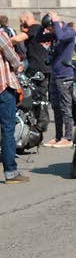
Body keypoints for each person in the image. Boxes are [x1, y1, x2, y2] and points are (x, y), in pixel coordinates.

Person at [0, 28, 30, 184]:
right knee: (7, 129)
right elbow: (14, 58)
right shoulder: (0, 35)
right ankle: (11, 172)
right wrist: (19, 65)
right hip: (3, 89)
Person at [44, 14, 76, 149]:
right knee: (56, 106)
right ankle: (58, 136)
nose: (49, 31)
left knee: (65, 107)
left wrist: (56, 21)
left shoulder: (68, 31)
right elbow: (39, 38)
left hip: (65, 75)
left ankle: (68, 137)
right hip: (55, 74)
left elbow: (61, 37)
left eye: (50, 28)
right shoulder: (55, 33)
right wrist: (43, 25)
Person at [17, 11, 53, 98]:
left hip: (36, 67)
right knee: (43, 94)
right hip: (46, 66)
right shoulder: (41, 29)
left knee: (36, 96)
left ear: (26, 18)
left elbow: (17, 39)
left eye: (21, 21)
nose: (21, 24)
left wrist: (5, 41)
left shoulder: (33, 29)